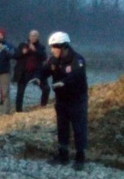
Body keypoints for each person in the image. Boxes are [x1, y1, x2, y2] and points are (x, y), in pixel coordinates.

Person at [32, 31, 88, 171]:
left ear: (63, 47)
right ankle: (63, 156)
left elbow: (77, 75)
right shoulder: (53, 60)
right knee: (62, 127)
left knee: (78, 128)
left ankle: (80, 158)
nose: (52, 50)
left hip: (77, 99)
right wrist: (38, 77)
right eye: (51, 47)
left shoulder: (78, 60)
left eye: (54, 47)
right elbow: (43, 69)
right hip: (61, 99)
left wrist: (64, 82)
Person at [12, 29, 50, 112]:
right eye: (31, 35)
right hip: (23, 72)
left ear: (38, 37)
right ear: (29, 36)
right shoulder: (22, 45)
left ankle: (43, 106)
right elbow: (15, 56)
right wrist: (22, 52)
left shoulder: (41, 47)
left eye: (35, 36)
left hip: (36, 72)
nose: (33, 37)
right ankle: (19, 111)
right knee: (20, 92)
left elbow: (44, 57)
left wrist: (35, 50)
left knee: (46, 88)